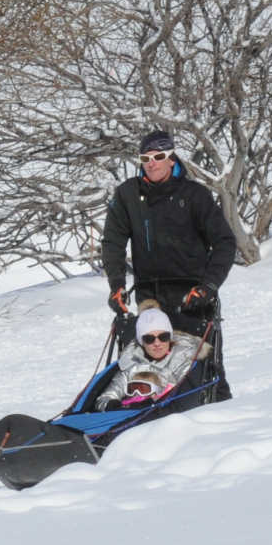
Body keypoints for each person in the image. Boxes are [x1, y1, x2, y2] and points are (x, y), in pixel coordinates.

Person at [102, 130, 236, 401]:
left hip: (192, 297)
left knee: (199, 368)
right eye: (145, 158)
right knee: (144, 369)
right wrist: (116, 283)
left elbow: (224, 242)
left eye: (159, 157)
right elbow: (112, 242)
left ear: (171, 158)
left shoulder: (195, 195)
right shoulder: (128, 194)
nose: (152, 163)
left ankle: (220, 415)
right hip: (149, 298)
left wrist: (209, 284)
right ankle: (136, 417)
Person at [94, 306, 208, 411]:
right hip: (131, 421)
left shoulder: (186, 358)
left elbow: (186, 402)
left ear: (170, 337)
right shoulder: (130, 363)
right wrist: (117, 407)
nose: (157, 343)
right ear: (141, 341)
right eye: (149, 339)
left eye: (163, 337)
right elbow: (104, 399)